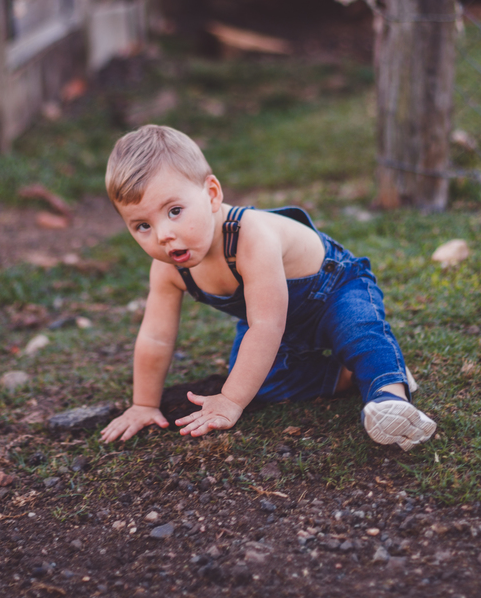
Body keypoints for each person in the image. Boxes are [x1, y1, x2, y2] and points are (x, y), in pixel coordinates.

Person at [98, 125, 437, 450]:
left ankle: (390, 397)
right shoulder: (168, 269)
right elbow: (155, 337)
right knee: (260, 382)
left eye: (174, 211)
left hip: (332, 289)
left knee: (359, 330)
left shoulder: (250, 236)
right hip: (272, 314)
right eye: (142, 225)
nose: (163, 235)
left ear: (212, 194)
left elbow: (266, 326)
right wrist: (143, 403)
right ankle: (350, 374)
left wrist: (230, 401)